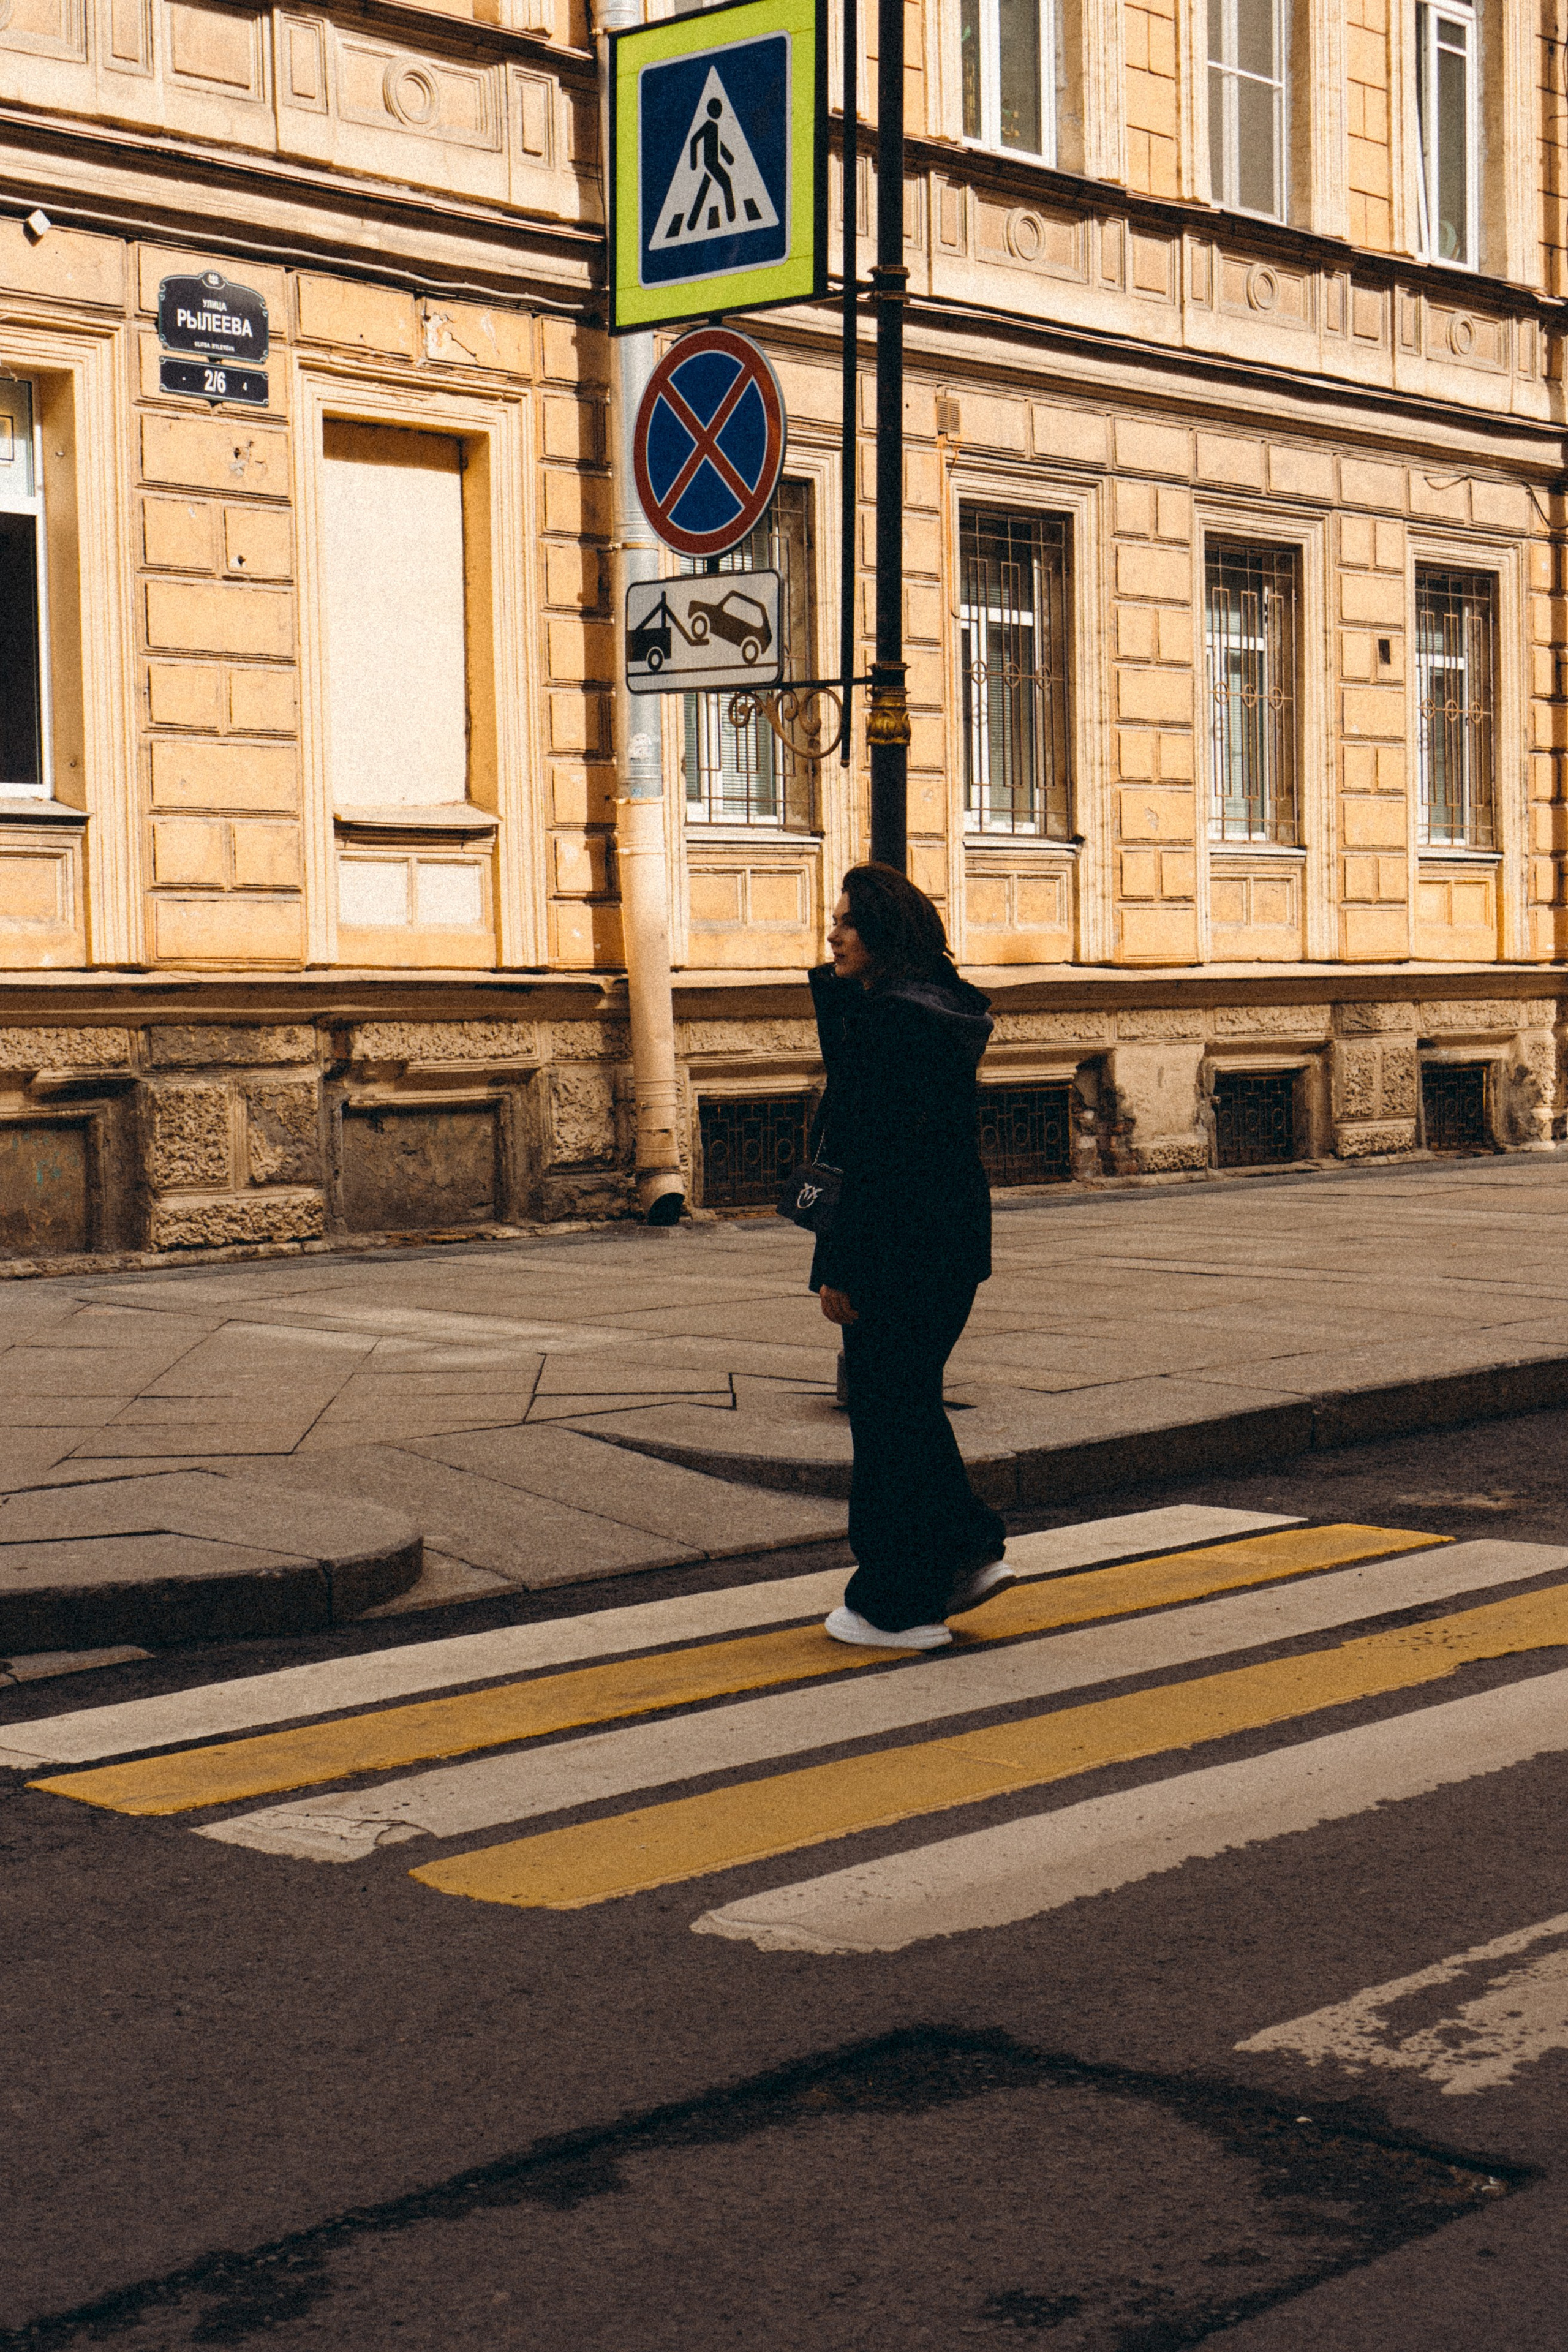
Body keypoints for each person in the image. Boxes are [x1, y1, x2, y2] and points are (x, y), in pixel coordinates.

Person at [808, 864, 1012, 1650]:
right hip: (949, 1248)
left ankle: (897, 1604)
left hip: (892, 1250)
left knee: (888, 1424)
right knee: (907, 1406)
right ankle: (963, 1549)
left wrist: (840, 1269)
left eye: (848, 923)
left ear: (883, 934)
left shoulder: (889, 1025)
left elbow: (871, 1156)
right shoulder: (937, 1012)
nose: (833, 935)